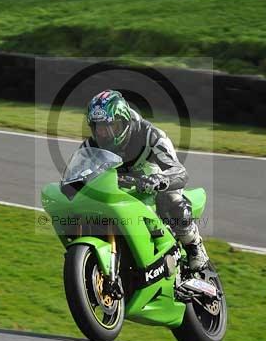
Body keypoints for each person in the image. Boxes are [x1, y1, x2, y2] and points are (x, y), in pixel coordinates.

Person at [81, 89, 209, 272]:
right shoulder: (91, 146)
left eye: (110, 126)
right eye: (98, 127)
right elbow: (75, 177)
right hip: (119, 187)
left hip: (151, 180)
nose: (104, 133)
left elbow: (180, 172)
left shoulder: (150, 135)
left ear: (123, 122)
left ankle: (194, 246)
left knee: (171, 197)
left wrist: (159, 180)